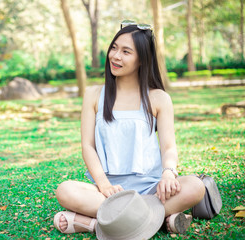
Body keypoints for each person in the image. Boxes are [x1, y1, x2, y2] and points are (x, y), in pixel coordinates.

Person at [53, 20, 206, 236]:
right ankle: (158, 220)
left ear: (142, 60)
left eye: (126, 51)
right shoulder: (94, 95)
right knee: (65, 190)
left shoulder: (159, 98)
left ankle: (93, 224)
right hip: (107, 191)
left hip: (151, 189)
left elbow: (168, 147)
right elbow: (88, 146)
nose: (115, 56)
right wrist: (104, 185)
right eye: (114, 48)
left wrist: (169, 174)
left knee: (195, 186)